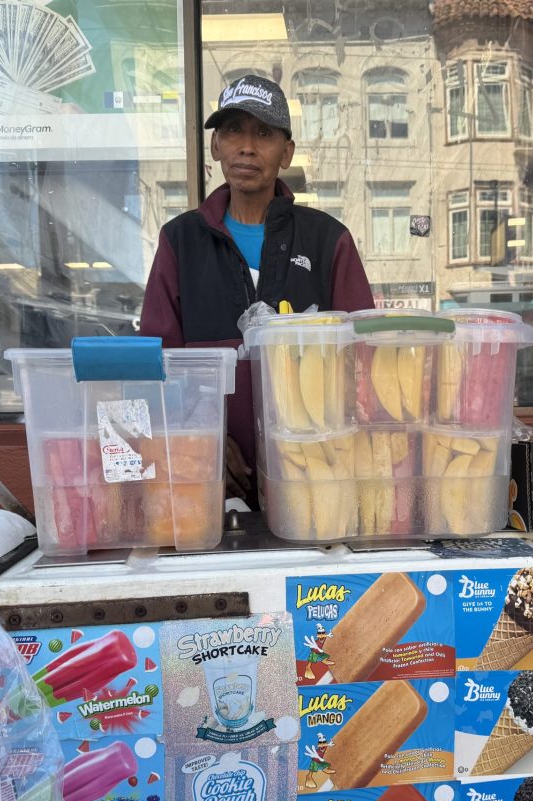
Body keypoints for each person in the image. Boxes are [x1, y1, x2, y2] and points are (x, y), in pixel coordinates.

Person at [140, 74, 375, 502]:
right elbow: (155, 363)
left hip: (316, 478)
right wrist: (201, 440)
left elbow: (364, 361)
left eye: (263, 133)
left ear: (286, 153)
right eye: (233, 130)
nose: (246, 146)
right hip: (207, 487)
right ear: (215, 146)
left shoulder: (327, 240)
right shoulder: (180, 241)